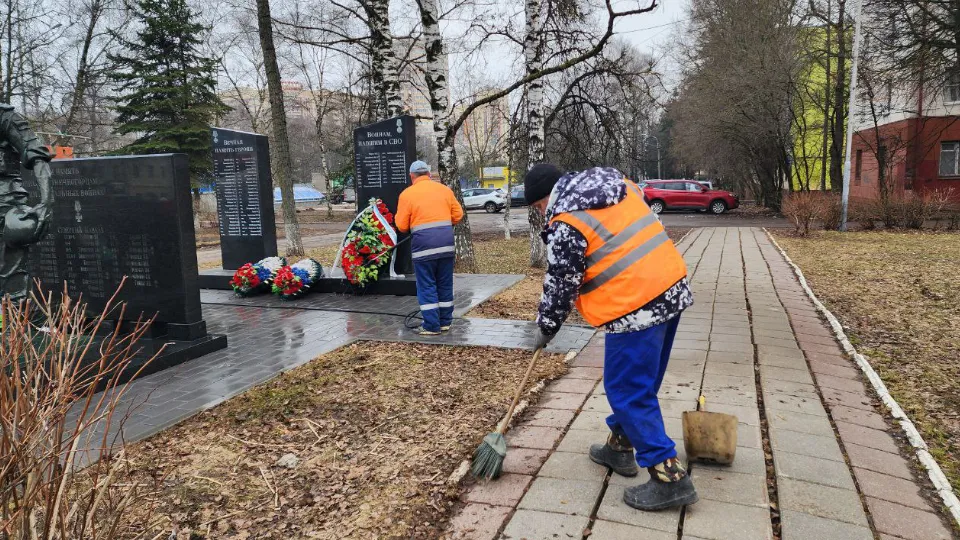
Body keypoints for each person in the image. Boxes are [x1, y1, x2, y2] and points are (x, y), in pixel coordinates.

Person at [525, 164, 698, 511]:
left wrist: (545, 327)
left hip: (633, 305)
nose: (541, 214)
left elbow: (562, 281)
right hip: (670, 289)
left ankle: (670, 478)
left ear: (543, 200)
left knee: (627, 389)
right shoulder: (619, 187)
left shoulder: (566, 220)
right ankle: (620, 446)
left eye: (537, 208)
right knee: (641, 382)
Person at [395, 160, 464, 335]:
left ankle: (431, 326)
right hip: (446, 245)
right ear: (429, 174)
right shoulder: (444, 190)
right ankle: (445, 322)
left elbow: (402, 226)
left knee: (427, 286)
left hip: (423, 247)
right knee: (445, 283)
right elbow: (458, 215)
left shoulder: (407, 194)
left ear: (412, 176)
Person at [0, 103, 53, 301]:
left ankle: (14, 329)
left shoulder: (5, 117)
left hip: (5, 203)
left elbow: (38, 156)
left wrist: (47, 201)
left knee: (10, 279)